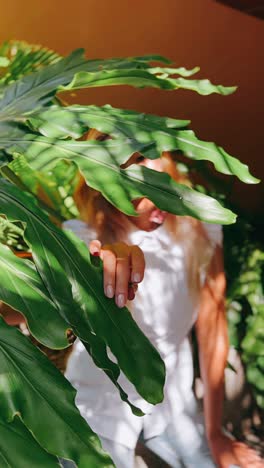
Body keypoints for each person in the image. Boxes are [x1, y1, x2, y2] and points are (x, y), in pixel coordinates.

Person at [62, 131, 263, 468]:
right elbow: (78, 271)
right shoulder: (83, 238)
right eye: (128, 174)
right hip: (101, 386)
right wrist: (101, 262)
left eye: (144, 158)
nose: (158, 205)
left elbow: (212, 327)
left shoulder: (201, 227)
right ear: (103, 188)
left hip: (173, 391)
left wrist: (215, 434)